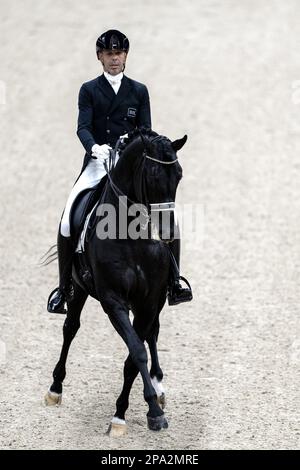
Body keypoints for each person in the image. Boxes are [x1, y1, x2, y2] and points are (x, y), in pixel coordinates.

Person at [47, 29, 192, 314]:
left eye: (119, 53)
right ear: (100, 57)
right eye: (109, 54)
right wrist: (93, 147)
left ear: (126, 56)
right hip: (97, 163)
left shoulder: (138, 91)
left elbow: (146, 129)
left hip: (130, 165)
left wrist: (132, 143)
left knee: (166, 216)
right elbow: (83, 127)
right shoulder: (89, 90)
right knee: (67, 219)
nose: (115, 59)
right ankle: (64, 289)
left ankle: (175, 282)